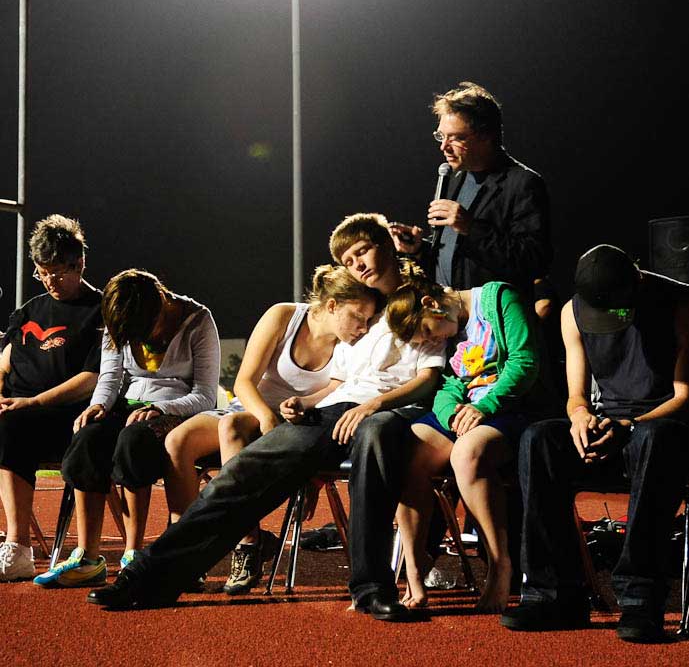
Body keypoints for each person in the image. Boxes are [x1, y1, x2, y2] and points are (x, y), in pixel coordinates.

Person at [87, 213, 445, 621]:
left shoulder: (418, 300)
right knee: (239, 476)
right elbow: (340, 382)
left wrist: (375, 406)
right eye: (348, 259)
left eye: (364, 251)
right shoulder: (359, 309)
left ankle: (371, 590)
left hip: (389, 412)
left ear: (388, 245)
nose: (358, 264)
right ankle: (150, 575)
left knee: (378, 436)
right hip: (332, 412)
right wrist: (305, 405)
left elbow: (429, 376)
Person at [501, 245, 689, 643]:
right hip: (612, 428)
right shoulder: (572, 312)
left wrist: (631, 425)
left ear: (636, 282)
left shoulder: (679, 303)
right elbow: (576, 395)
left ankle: (640, 600)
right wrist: (581, 420)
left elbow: (684, 395)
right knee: (539, 439)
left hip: (666, 428)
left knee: (656, 438)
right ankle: (555, 595)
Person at [163, 264, 381, 595]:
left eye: (369, 320)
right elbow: (243, 382)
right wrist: (266, 416)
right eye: (358, 316)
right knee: (178, 440)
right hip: (254, 406)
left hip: (301, 421)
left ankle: (247, 544)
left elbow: (336, 394)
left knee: (231, 427)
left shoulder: (352, 345)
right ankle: (180, 552)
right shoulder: (284, 316)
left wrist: (300, 413)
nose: (364, 327)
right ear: (333, 304)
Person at [33, 269, 220, 588]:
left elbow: (205, 394)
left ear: (161, 304)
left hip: (177, 408)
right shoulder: (118, 316)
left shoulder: (198, 320)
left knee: (134, 441)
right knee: (87, 439)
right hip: (128, 404)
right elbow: (110, 376)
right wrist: (98, 405)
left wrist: (161, 408)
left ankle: (133, 552)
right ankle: (88, 557)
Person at [387, 271, 546, 613]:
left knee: (467, 452)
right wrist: (450, 415)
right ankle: (414, 571)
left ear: (431, 304)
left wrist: (483, 407)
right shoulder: (448, 327)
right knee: (403, 451)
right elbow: (449, 385)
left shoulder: (498, 298)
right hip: (466, 411)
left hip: (509, 407)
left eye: (427, 331)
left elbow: (524, 361)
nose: (430, 341)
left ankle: (499, 564)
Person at [0, 215, 102, 582]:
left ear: (80, 264)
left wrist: (33, 402)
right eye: (42, 272)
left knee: (9, 426)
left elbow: (94, 378)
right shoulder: (29, 310)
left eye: (58, 272)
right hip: (18, 410)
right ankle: (15, 547)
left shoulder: (100, 311)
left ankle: (17, 545)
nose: (49, 281)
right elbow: (5, 362)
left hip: (67, 417)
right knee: (7, 421)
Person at [389, 81, 551, 298]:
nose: (443, 147)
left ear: (486, 136)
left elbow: (533, 261)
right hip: (452, 314)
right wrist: (420, 249)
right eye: (441, 136)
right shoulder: (456, 176)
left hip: (491, 318)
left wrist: (471, 227)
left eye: (456, 137)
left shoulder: (523, 184)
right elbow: (457, 260)